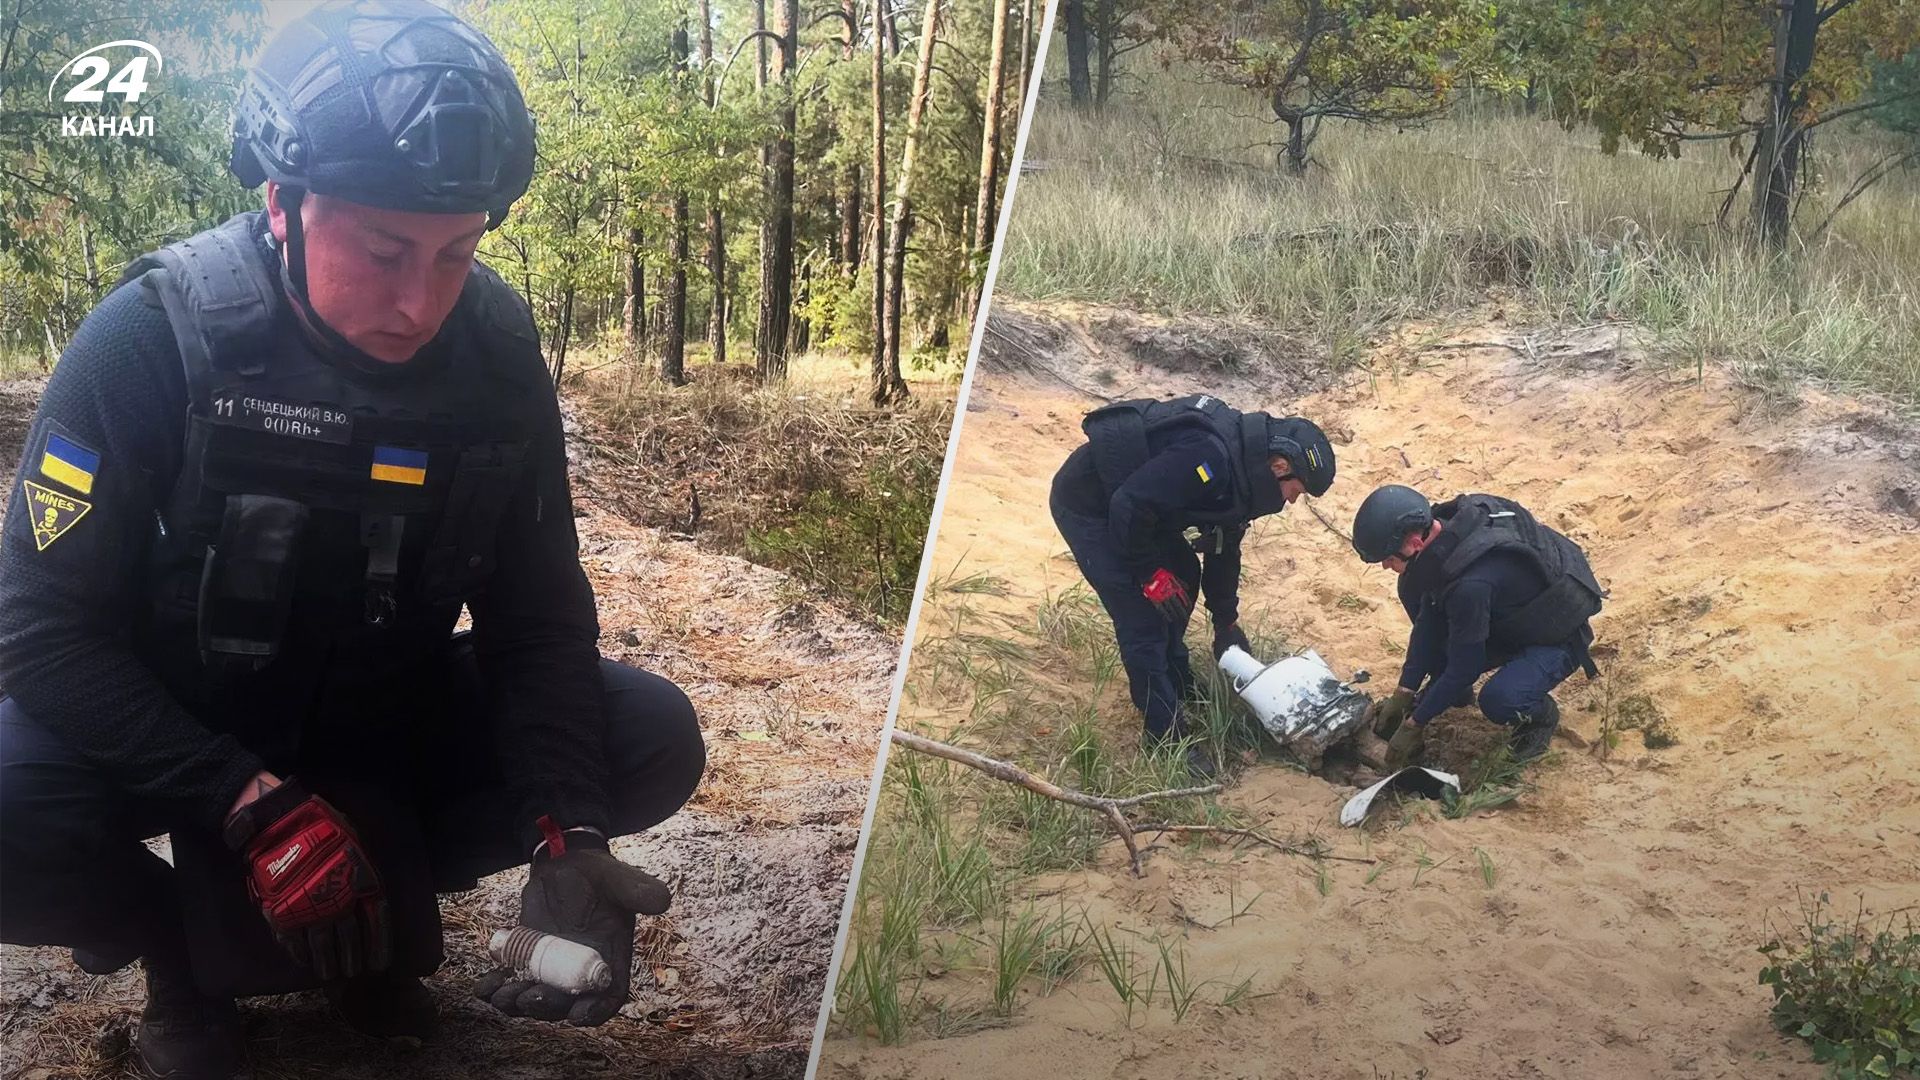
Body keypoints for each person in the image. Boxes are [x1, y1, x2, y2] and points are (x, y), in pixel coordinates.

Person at [0, 4, 705, 1077]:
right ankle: (174, 952)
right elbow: (39, 633)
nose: (418, 301)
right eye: (383, 250)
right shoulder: (149, 338)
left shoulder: (498, 355)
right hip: (181, 722)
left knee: (647, 732)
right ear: (284, 202)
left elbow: (539, 623)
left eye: (457, 254)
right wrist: (245, 803)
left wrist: (571, 838)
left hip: (385, 709)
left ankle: (374, 920)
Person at [1049, 394, 1335, 769]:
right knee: (1142, 617)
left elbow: (1223, 546)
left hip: (1144, 508)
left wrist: (1225, 622)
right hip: (1093, 503)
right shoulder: (1211, 458)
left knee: (1183, 575)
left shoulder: (1244, 472)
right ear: (1280, 466)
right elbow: (1128, 505)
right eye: (1295, 491)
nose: (1292, 501)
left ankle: (1177, 678)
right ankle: (1165, 737)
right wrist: (1149, 573)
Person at [1350, 485, 1604, 769]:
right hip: (1507, 613)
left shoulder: (1470, 585)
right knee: (1412, 588)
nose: (1386, 566)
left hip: (1555, 631)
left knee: (1500, 700)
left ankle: (1540, 717)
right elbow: (1428, 620)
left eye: (1389, 558)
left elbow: (1464, 668)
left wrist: (1415, 723)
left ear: (1414, 543)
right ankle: (1454, 694)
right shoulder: (1443, 533)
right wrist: (1405, 690)